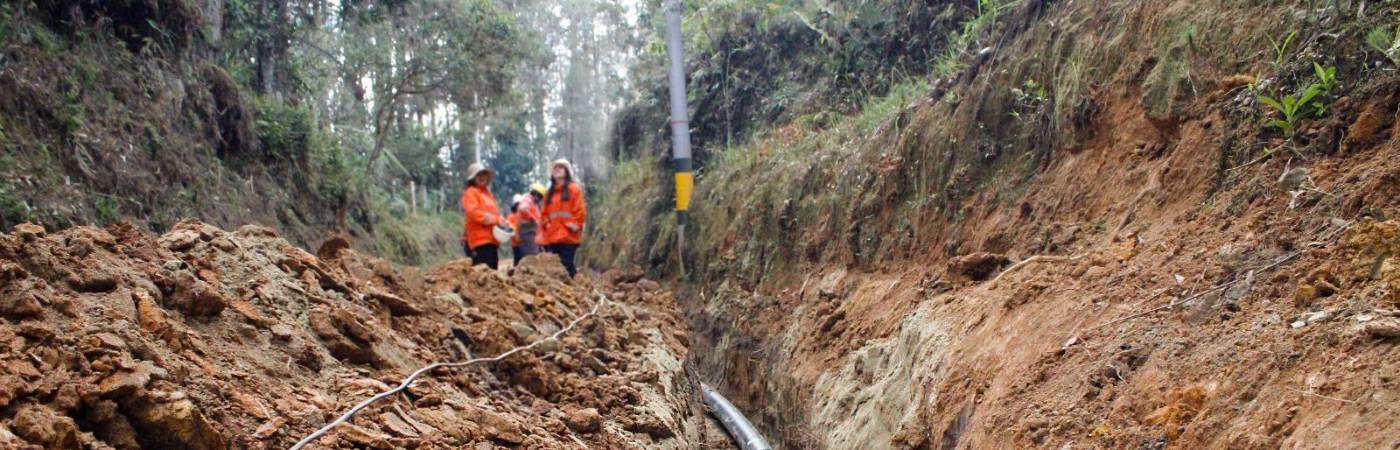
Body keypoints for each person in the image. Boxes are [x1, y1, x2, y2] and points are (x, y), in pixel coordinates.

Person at [540, 159, 586, 277]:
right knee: (555, 268)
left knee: (567, 264)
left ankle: (575, 289)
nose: (557, 169)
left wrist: (574, 225)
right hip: (552, 237)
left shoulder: (574, 189)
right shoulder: (549, 193)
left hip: (568, 236)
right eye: (555, 167)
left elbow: (580, 210)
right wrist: (547, 224)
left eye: (561, 167)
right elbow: (543, 214)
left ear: (567, 171)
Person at [459, 162, 509, 270]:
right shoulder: (470, 192)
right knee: (483, 275)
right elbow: (473, 213)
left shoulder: (488, 195)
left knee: (493, 273)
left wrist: (501, 221)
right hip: (479, 241)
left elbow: (495, 214)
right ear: (472, 178)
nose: (481, 177)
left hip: (491, 240)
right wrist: (496, 219)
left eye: (483, 174)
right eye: (478, 175)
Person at [507, 193, 541, 266]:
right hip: (515, 243)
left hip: (523, 242)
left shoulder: (523, 216)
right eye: (517, 204)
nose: (518, 206)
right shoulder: (511, 217)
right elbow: (510, 228)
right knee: (517, 260)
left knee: (524, 258)